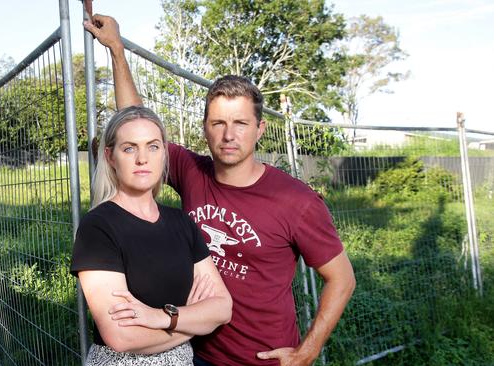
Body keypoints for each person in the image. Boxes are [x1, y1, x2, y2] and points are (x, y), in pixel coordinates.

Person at [84, 14, 356, 366]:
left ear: (260, 129)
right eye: (219, 123)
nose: (229, 135)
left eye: (241, 123)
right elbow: (136, 127)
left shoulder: (295, 200)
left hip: (260, 358)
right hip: (195, 352)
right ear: (205, 128)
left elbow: (342, 278)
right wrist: (117, 52)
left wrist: (308, 349)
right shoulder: (191, 171)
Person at [70, 106, 232, 365]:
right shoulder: (98, 227)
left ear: (164, 154)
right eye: (129, 148)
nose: (142, 158)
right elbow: (121, 336)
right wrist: (195, 320)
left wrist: (162, 317)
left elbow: (223, 308)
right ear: (111, 157)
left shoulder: (182, 222)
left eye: (153, 146)